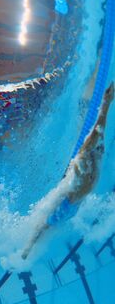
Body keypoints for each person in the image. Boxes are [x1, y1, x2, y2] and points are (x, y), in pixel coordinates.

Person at [22, 83, 114, 259]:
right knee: (45, 226)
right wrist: (106, 103)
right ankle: (29, 247)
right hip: (72, 203)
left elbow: (98, 132)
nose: (101, 148)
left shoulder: (89, 161)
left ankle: (29, 247)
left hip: (71, 203)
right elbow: (98, 132)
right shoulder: (90, 162)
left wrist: (107, 103)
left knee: (45, 226)